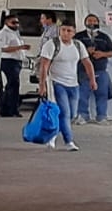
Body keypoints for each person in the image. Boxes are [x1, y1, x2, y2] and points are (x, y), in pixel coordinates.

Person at [37, 21, 95, 152]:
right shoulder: (52, 44)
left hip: (73, 84)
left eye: (69, 31)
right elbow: (44, 65)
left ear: (74, 33)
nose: (65, 33)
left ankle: (52, 135)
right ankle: (69, 141)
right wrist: (42, 84)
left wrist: (92, 80)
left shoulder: (78, 45)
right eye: (63, 30)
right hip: (57, 82)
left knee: (72, 114)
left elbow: (87, 62)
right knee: (64, 112)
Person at [78, 14, 112, 123]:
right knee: (83, 94)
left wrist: (102, 54)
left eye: (94, 21)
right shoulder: (79, 36)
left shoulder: (104, 37)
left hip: (100, 70)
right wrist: (85, 51)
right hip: (83, 70)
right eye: (89, 21)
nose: (92, 23)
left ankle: (102, 116)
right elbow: (72, 49)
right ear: (85, 22)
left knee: (102, 94)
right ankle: (83, 115)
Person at [0, 12, 30, 118]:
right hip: (8, 62)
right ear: (7, 22)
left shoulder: (15, 33)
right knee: (11, 86)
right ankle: (9, 109)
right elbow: (1, 48)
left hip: (17, 61)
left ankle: (10, 109)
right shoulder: (3, 33)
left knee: (13, 86)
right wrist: (20, 48)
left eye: (17, 23)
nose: (16, 25)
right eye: (13, 22)